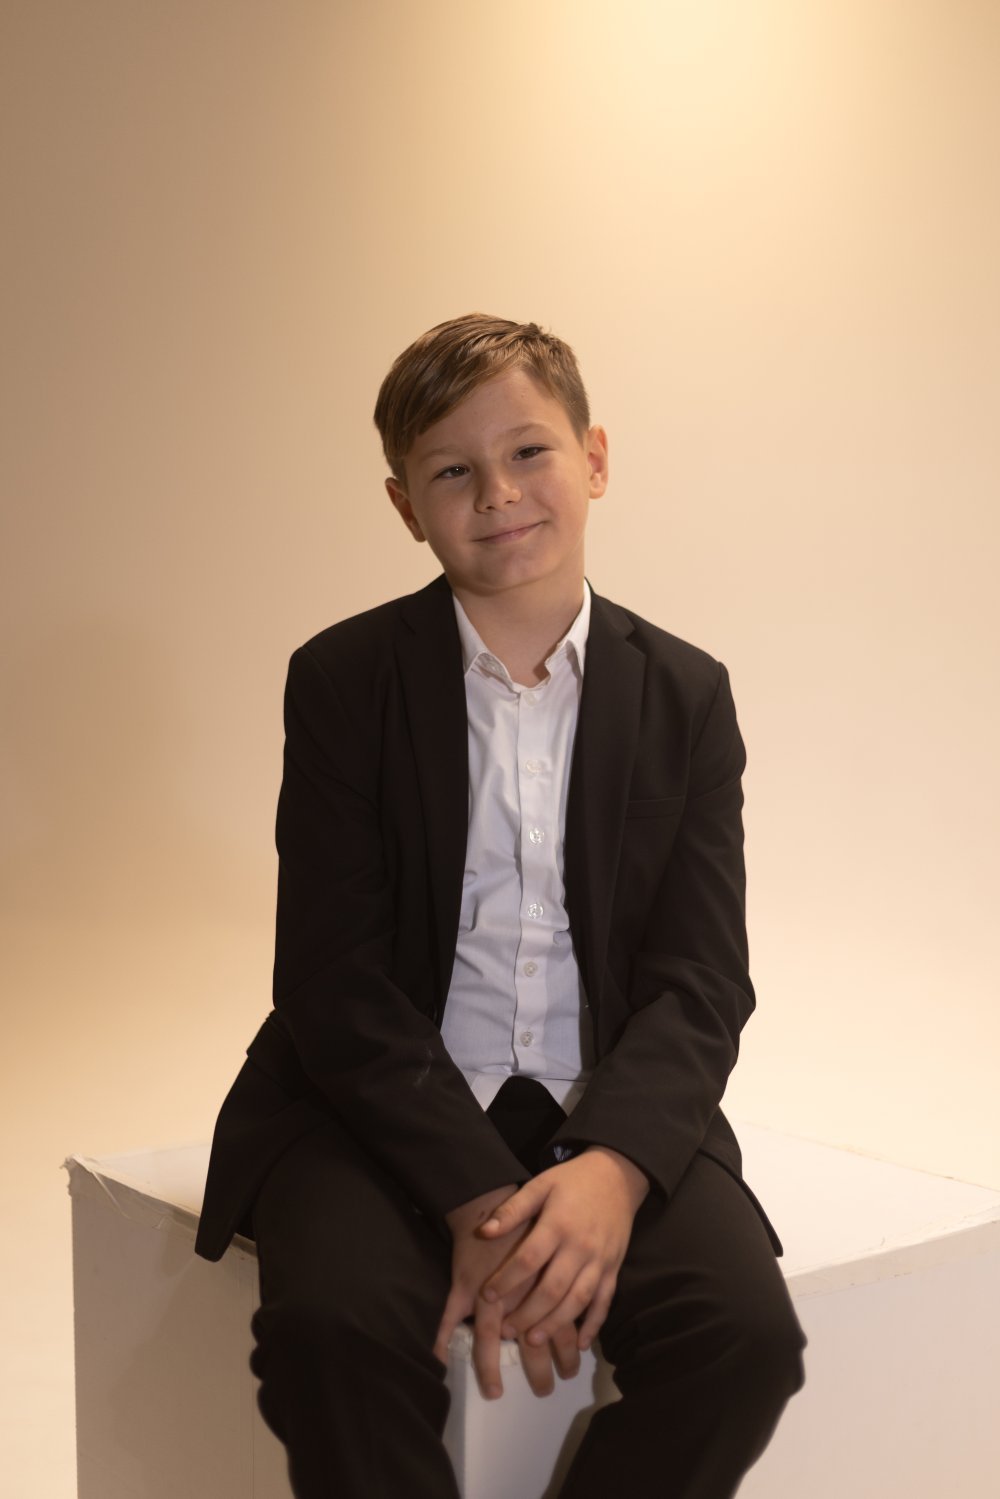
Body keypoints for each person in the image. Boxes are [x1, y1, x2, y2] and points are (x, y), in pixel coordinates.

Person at [195, 313, 806, 1497]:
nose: (499, 494)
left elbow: (701, 978)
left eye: (529, 451)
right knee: (333, 1334)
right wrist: (475, 1196)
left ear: (595, 457)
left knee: (743, 1341)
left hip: (601, 1100)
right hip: (381, 1105)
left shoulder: (686, 692)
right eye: (452, 471)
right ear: (404, 504)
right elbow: (331, 975)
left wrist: (614, 1167)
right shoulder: (344, 680)